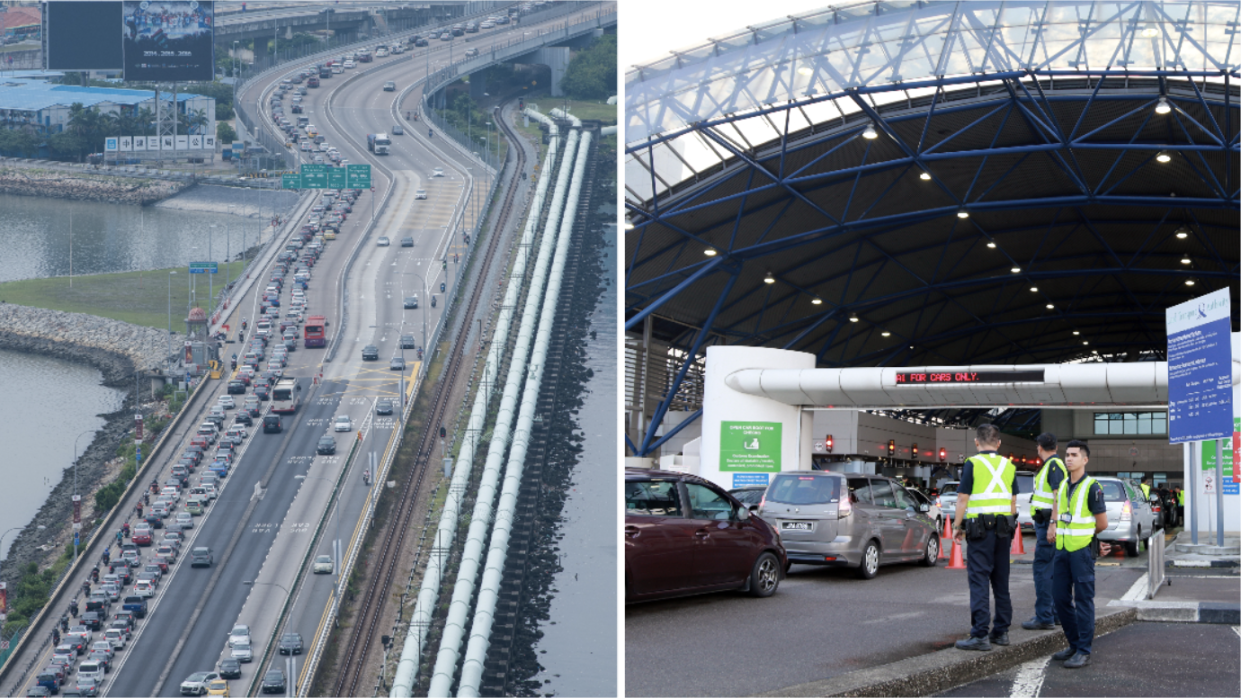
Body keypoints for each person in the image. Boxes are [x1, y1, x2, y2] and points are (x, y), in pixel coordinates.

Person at [954, 424, 1018, 651]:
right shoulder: (1009, 465)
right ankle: (1001, 632)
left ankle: (979, 634)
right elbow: (1012, 502)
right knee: (1001, 581)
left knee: (979, 579)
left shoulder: (973, 463)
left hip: (980, 531)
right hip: (1003, 531)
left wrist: (957, 525)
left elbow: (963, 499)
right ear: (998, 443)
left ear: (976, 442)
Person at [1048, 439, 1108, 668]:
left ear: (1085, 459)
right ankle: (1074, 644)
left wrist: (1086, 537)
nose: (1069, 458)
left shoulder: (1092, 486)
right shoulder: (1063, 485)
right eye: (1067, 455)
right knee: (1060, 598)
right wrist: (1053, 524)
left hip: (1081, 551)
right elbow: (1058, 508)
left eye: (1074, 455)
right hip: (1062, 550)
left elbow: (1102, 522)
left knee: (1083, 601)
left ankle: (1084, 650)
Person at [1023, 432, 1067, 631]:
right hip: (1048, 523)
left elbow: (1058, 495)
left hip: (1047, 525)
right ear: (1056, 447)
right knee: (1052, 571)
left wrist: (1053, 523)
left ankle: (1044, 616)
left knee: (1042, 570)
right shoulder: (1053, 466)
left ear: (1039, 448)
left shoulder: (1053, 466)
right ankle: (1055, 614)